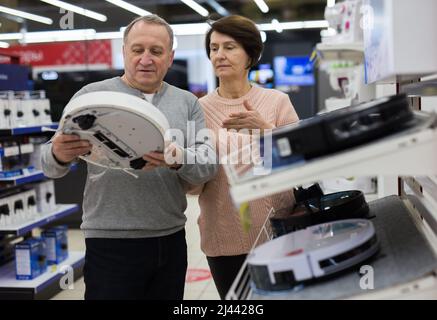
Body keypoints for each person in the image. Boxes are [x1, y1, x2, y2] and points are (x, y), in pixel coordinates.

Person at [41, 15, 217, 300]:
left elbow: (207, 165)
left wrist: (178, 157)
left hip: (169, 241)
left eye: (156, 51)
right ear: (124, 51)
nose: (146, 59)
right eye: (138, 50)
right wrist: (58, 153)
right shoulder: (92, 95)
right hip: (110, 241)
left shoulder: (187, 103)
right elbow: (47, 165)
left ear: (170, 57)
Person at [197, 15, 300, 299]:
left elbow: (300, 162)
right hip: (223, 236)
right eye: (214, 48)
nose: (219, 55)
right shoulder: (197, 109)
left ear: (250, 55)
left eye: (229, 47)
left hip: (278, 230)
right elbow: (193, 183)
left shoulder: (276, 101)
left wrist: (266, 130)